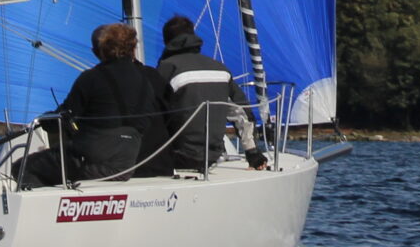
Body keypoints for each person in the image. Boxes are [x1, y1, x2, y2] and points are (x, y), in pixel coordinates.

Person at [22, 22, 176, 186]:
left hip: (98, 163)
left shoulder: (91, 78)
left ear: (99, 51)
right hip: (146, 164)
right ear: (132, 47)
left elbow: (65, 116)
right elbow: (168, 119)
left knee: (24, 167)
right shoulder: (150, 79)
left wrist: (45, 120)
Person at [155, 14, 265, 172]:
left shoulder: (167, 69)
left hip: (177, 157)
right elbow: (241, 112)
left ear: (167, 41)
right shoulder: (220, 69)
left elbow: (152, 111)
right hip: (212, 156)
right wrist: (252, 152)